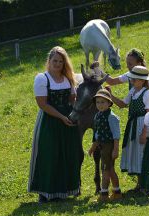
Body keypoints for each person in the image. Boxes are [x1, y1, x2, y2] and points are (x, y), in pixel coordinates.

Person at [28, 46, 83, 203]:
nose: (58, 64)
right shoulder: (42, 79)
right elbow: (43, 104)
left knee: (68, 153)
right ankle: (45, 192)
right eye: (55, 61)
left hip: (68, 121)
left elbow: (72, 99)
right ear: (49, 61)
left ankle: (65, 190)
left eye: (61, 61)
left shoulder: (68, 78)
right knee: (49, 154)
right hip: (49, 121)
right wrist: (61, 116)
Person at [110, 65, 149, 190]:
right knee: (135, 152)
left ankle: (146, 183)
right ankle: (140, 183)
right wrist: (110, 95)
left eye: (134, 79)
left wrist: (145, 132)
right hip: (133, 124)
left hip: (142, 124)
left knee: (142, 152)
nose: (132, 81)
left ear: (142, 80)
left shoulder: (147, 93)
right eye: (132, 79)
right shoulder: (133, 91)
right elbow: (122, 104)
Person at [88, 89, 122, 202]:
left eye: (103, 102)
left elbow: (116, 135)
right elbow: (97, 133)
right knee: (110, 169)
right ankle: (117, 192)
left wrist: (115, 149)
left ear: (109, 103)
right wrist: (93, 146)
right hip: (101, 146)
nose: (100, 105)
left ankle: (104, 194)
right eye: (98, 102)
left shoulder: (111, 117)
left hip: (109, 146)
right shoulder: (98, 115)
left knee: (105, 170)